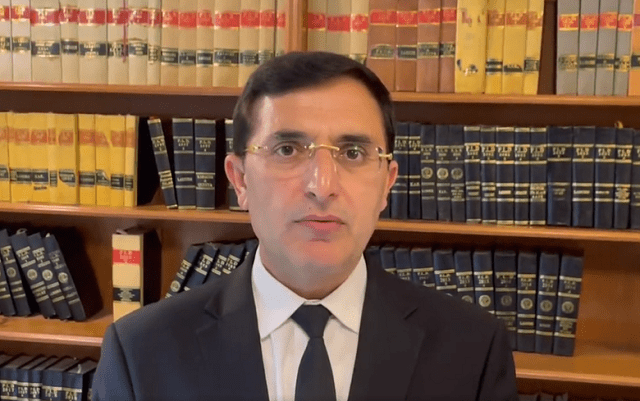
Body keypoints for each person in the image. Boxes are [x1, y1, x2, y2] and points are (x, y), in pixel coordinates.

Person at [93, 51, 518, 401]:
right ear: (240, 180)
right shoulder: (140, 355)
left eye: (353, 153)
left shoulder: (474, 352)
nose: (322, 186)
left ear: (386, 185)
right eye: (288, 149)